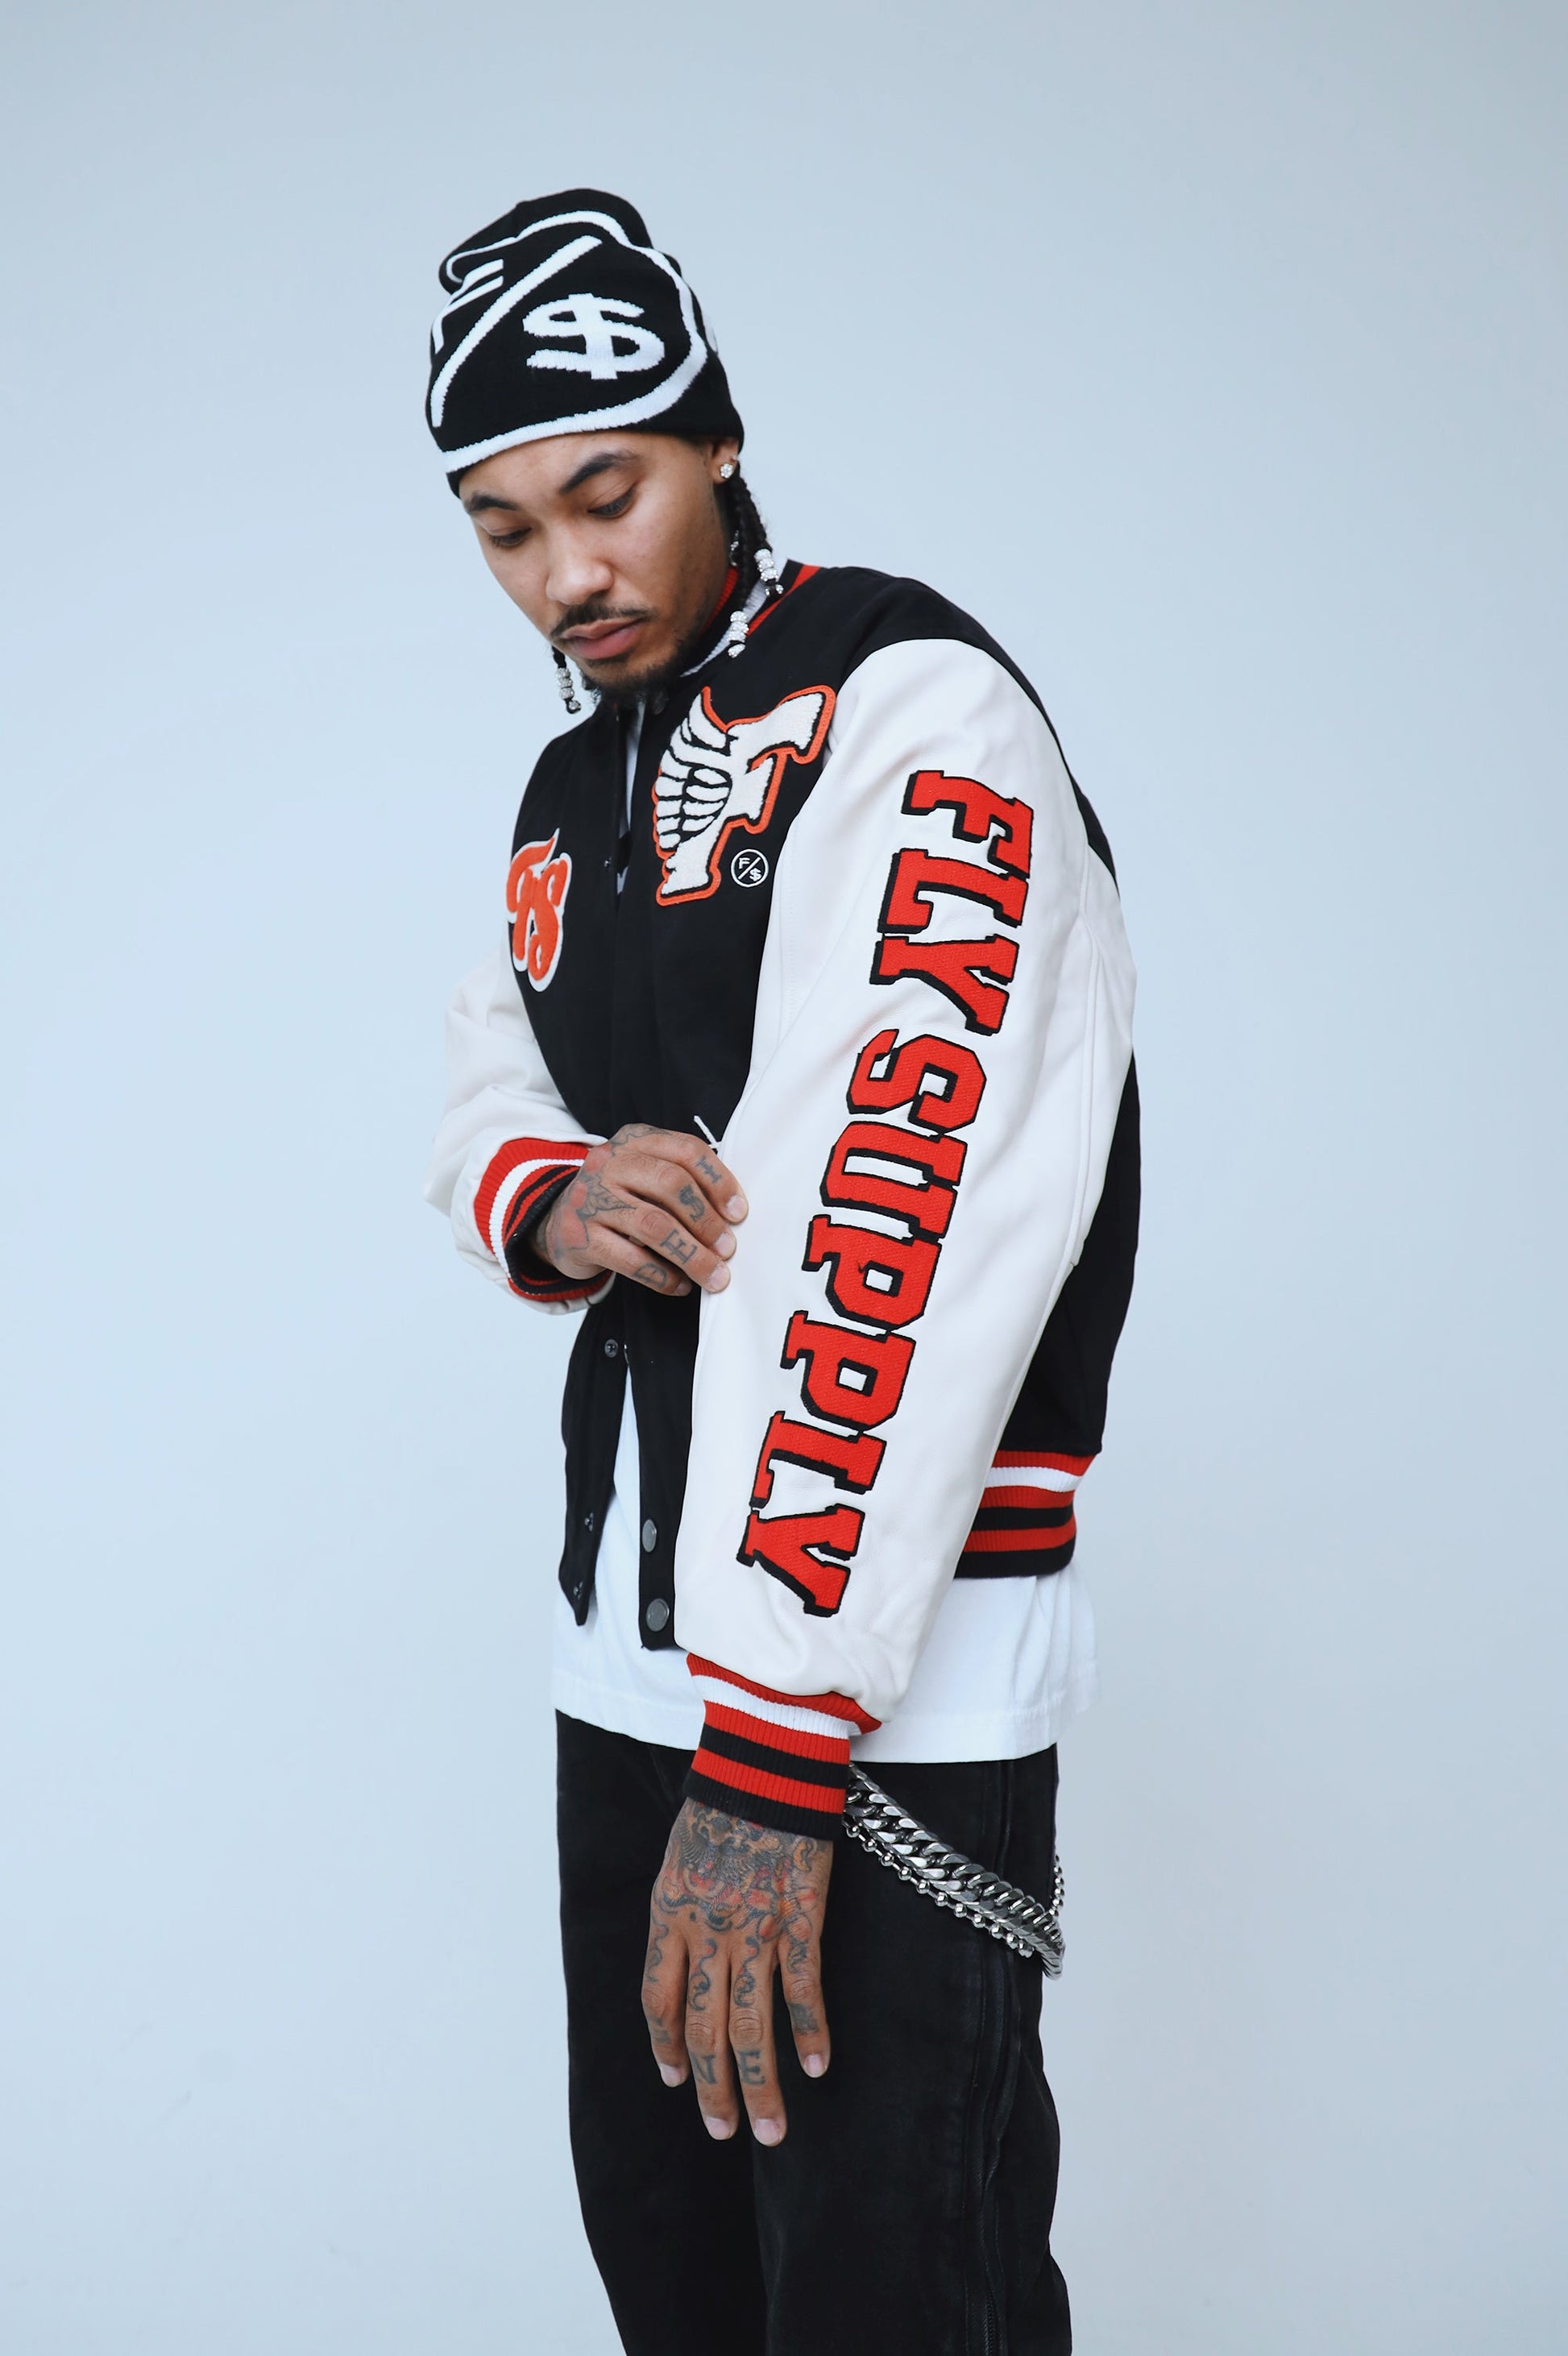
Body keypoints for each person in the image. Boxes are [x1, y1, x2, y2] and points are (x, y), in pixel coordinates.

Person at [421, 189, 1139, 2356]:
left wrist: (776, 1738)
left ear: (716, 440)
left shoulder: (910, 703)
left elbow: (898, 1221)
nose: (568, 574)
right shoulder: (574, 776)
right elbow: (495, 1059)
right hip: (633, 1657)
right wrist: (544, 1189)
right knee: (677, 2287)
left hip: (870, 1681)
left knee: (888, 2299)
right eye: (504, 528)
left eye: (608, 494)